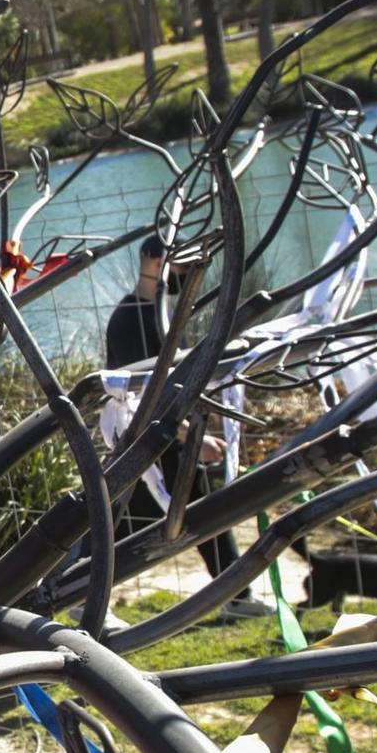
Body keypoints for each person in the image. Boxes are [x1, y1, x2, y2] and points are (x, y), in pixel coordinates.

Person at [103, 235, 269, 619]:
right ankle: (79, 590)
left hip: (163, 440)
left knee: (185, 512)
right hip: (147, 440)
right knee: (132, 523)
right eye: (181, 265)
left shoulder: (160, 313)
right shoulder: (131, 319)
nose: (187, 273)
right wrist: (185, 434)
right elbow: (139, 395)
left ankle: (236, 596)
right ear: (154, 261)